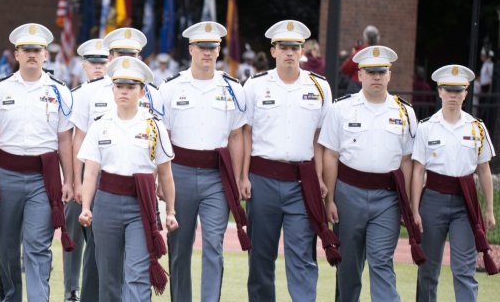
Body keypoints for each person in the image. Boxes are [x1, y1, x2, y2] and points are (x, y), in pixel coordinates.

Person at [241, 20, 338, 302]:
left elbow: (322, 140)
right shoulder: (256, 85)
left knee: (303, 257)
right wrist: (244, 176)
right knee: (260, 258)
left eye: (294, 47)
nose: (289, 53)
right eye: (283, 47)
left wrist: (319, 178)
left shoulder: (319, 87)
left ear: (302, 50)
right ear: (273, 51)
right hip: (263, 180)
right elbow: (246, 132)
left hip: (301, 182)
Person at [320, 45, 423, 302]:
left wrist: (408, 204)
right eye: (370, 71)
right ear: (360, 75)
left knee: (381, 262)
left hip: (387, 199)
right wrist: (329, 199)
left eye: (382, 71)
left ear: (389, 75)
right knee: (348, 268)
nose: (377, 76)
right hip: (348, 194)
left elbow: (408, 161)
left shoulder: (405, 112)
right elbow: (330, 155)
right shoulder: (341, 109)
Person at [69, 27, 164, 302]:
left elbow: (156, 141)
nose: (126, 57)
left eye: (132, 54)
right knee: (100, 253)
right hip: (98, 178)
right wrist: (76, 180)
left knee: (136, 255)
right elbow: (80, 138)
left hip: (138, 183)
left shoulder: (153, 94)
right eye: (120, 53)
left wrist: (154, 182)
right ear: (110, 55)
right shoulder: (90, 91)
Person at [0, 23, 75, 302]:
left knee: (37, 246)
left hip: (42, 180)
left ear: (46, 55)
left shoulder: (60, 91)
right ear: (17, 55)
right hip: (6, 175)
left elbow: (64, 140)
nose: (32, 54)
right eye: (26, 50)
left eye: (37, 50)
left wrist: (69, 179)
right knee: (7, 248)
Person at [159, 21, 249, 301]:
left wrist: (238, 179)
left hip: (216, 177)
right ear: (191, 49)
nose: (207, 52)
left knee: (214, 246)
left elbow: (237, 136)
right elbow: (162, 137)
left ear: (219, 49)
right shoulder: (171, 87)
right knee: (179, 246)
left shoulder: (233, 88)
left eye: (213, 47)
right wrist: (160, 179)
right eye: (202, 47)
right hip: (180, 173)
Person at [411, 65, 497, 301]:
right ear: (439, 91)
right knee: (428, 269)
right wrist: (414, 208)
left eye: (458, 90)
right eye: (448, 89)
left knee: (464, 270)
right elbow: (418, 170)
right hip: (433, 200)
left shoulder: (477, 127)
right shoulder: (426, 127)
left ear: (466, 93)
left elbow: (484, 169)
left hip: (464, 203)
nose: (453, 95)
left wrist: (489, 209)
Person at [63, 38, 109, 302]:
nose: (99, 67)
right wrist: (73, 179)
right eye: (94, 63)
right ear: (84, 65)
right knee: (74, 231)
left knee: (102, 235)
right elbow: (73, 139)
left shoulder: (118, 89)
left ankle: (99, 288)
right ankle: (71, 288)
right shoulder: (79, 94)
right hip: (83, 170)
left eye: (103, 62)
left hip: (109, 171)